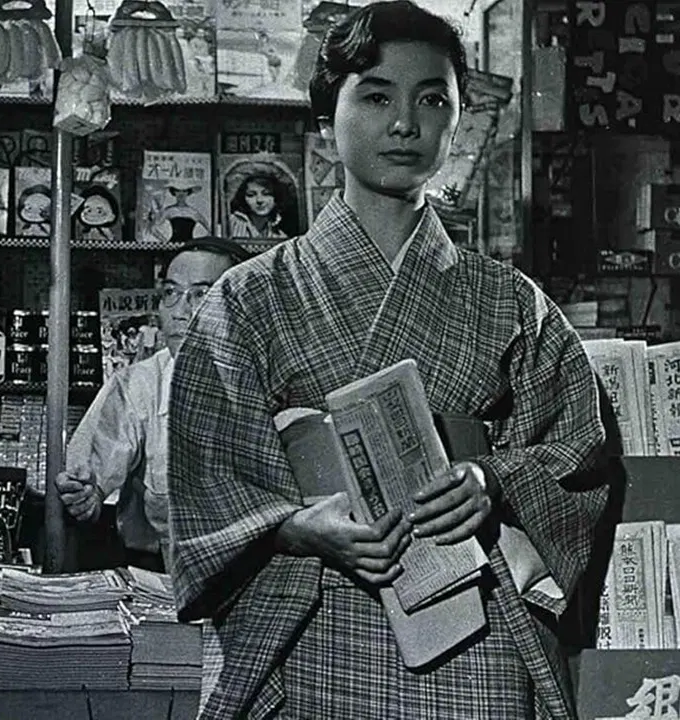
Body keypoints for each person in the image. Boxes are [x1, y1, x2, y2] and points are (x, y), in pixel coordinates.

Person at [167, 3, 611, 718]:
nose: (405, 123)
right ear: (327, 119)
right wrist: (294, 525)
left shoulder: (511, 300)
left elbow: (577, 453)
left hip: (475, 627)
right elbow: (207, 476)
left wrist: (490, 479)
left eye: (432, 100)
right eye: (376, 97)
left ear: (458, 121)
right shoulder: (248, 297)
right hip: (310, 623)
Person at [56, 238, 251, 573]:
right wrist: (84, 494)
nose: (179, 312)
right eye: (171, 293)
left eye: (201, 294)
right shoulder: (138, 383)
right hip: (160, 572)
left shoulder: (271, 381)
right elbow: (89, 474)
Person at [226, 170, 298, 240]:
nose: (259, 200)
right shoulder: (230, 224)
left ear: (276, 197)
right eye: (251, 195)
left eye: (266, 194)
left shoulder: (279, 236)